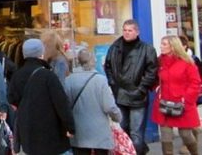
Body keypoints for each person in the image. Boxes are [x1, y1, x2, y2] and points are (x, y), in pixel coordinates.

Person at [8, 38, 75, 155]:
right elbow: (61, 103)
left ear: (24, 54)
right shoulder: (48, 76)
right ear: (41, 54)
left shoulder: (17, 75)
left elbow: (12, 100)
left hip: (27, 131)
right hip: (49, 132)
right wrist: (70, 126)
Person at [104, 19, 158, 155]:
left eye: (130, 30)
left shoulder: (147, 49)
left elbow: (152, 72)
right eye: (124, 30)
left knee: (136, 133)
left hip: (137, 97)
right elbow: (108, 66)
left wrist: (141, 89)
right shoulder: (115, 47)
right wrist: (113, 85)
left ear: (137, 32)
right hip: (120, 94)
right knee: (122, 130)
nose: (126, 33)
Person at [151, 35, 201, 155]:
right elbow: (152, 77)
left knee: (185, 134)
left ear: (173, 46)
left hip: (182, 104)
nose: (161, 46)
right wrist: (156, 88)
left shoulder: (187, 62)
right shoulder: (159, 61)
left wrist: (186, 98)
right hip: (164, 103)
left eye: (164, 44)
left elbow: (195, 83)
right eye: (161, 43)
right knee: (165, 136)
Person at [65, 49, 122, 155]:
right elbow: (109, 107)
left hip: (79, 133)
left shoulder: (68, 81)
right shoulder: (100, 80)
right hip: (99, 133)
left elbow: (65, 106)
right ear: (93, 61)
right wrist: (117, 117)